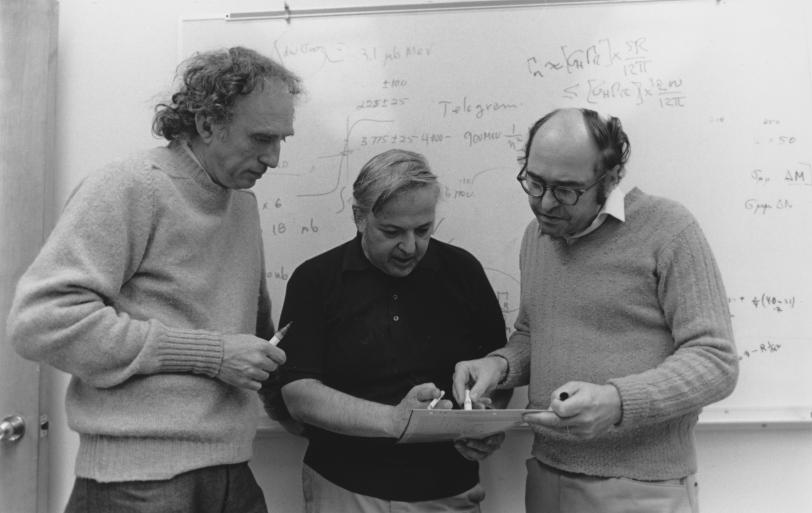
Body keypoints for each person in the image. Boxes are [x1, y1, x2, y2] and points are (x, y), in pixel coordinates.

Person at [6, 47, 302, 513]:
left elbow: (252, 337)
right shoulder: (128, 186)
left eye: (282, 139)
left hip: (232, 473)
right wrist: (214, 354)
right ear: (207, 124)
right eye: (261, 138)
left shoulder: (242, 205)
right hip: (136, 483)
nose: (274, 158)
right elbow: (41, 323)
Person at [452, 108, 739, 513]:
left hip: (641, 488)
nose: (546, 203)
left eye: (567, 190)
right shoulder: (536, 238)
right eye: (535, 183)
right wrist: (498, 367)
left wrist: (617, 402)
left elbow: (716, 361)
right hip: (548, 475)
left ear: (611, 178)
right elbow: (536, 334)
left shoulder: (669, 229)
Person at [269, 149, 511, 512]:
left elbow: (500, 373)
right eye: (392, 231)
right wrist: (397, 421)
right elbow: (298, 396)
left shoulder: (463, 272)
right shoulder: (316, 280)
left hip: (448, 492)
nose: (410, 247)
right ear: (359, 217)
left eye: (423, 230)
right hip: (344, 487)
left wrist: (483, 424)